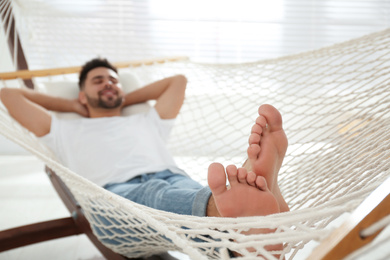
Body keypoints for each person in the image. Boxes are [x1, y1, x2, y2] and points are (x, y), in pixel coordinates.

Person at [0, 58, 289, 256]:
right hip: (112, 198)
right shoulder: (62, 128)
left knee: (188, 192)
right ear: (82, 95)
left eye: (114, 80)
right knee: (158, 195)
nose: (108, 84)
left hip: (175, 180)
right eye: (98, 81)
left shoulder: (147, 119)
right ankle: (243, 212)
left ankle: (239, 232)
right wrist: (71, 106)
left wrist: (122, 98)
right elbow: (8, 95)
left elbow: (177, 80)